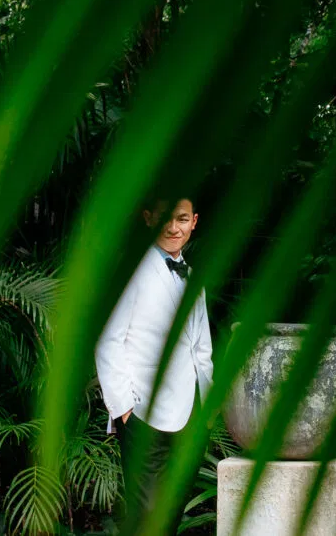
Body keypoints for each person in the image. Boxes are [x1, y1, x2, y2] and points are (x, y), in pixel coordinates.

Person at [94, 197, 214, 523]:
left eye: (182, 219)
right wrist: (124, 410)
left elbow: (200, 346)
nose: (174, 228)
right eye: (166, 219)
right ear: (148, 219)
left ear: (194, 221)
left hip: (190, 412)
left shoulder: (191, 275)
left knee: (172, 511)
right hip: (143, 411)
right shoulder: (131, 271)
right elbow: (108, 341)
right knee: (146, 515)